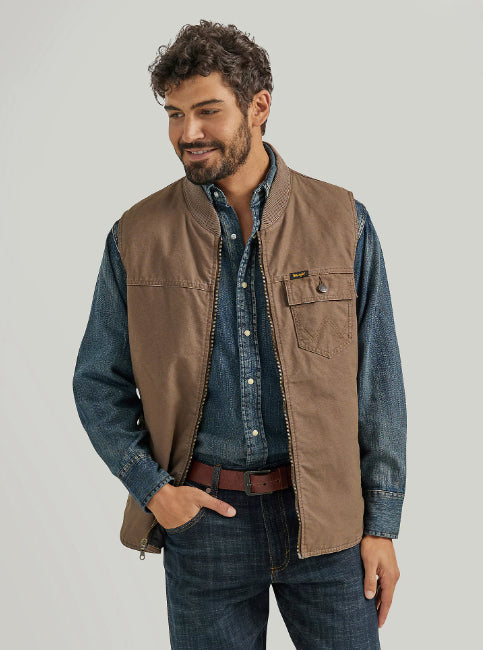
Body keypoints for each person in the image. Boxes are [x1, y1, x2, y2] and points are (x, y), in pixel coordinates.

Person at [72, 19, 407, 649]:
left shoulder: (343, 222)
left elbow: (379, 387)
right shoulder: (136, 236)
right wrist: (155, 491)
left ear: (259, 106)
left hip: (328, 526)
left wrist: (382, 524)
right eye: (174, 114)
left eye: (207, 111)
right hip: (205, 528)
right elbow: (97, 383)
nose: (188, 133)